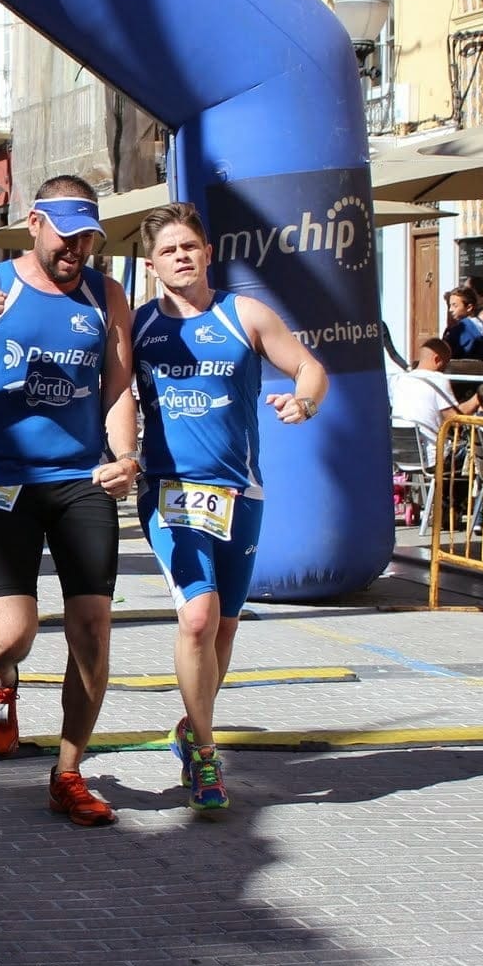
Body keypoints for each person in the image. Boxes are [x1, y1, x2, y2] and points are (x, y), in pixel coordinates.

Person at [0, 176, 139, 825]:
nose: (75, 248)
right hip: (5, 478)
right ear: (35, 223)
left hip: (81, 478)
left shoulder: (106, 295)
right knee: (12, 634)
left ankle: (68, 773)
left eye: (87, 238)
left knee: (92, 632)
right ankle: (0, 676)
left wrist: (126, 457)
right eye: (65, 235)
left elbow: (118, 388)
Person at [124, 202, 328, 816]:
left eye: (189, 246)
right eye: (168, 250)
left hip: (241, 492)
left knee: (226, 626)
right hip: (169, 490)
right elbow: (107, 394)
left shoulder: (244, 314)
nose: (181, 257)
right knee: (198, 617)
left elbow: (309, 366)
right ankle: (207, 755)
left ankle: (192, 727)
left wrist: (304, 401)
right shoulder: (137, 326)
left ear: (207, 253)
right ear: (152, 265)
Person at [443, 286, 483, 362]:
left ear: (469, 307)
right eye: (450, 306)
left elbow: (445, 353)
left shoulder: (460, 328)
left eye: (455, 305)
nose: (450, 310)